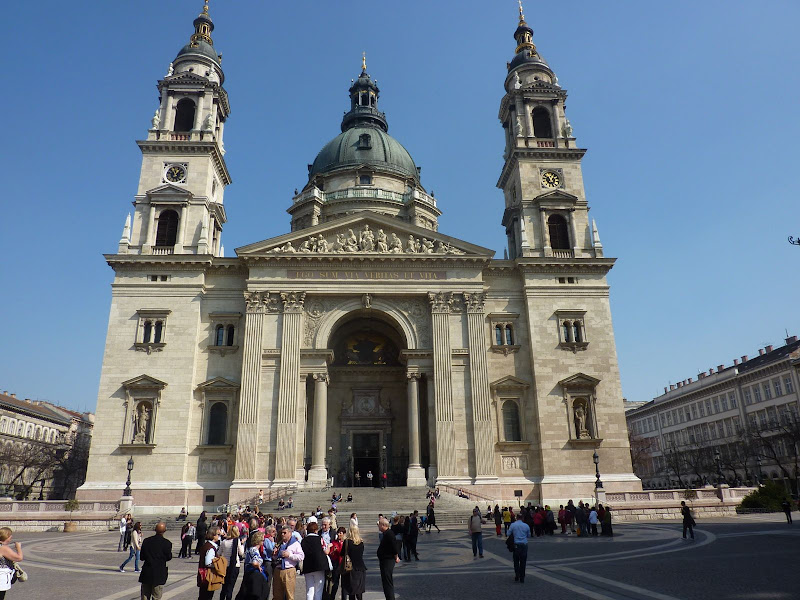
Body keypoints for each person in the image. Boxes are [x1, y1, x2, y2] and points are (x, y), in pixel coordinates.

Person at [139, 522, 173, 600]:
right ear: (164, 531)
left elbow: (142, 557)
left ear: (155, 530)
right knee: (156, 597)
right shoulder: (167, 543)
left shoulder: (146, 541)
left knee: (145, 596)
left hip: (147, 572)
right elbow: (169, 557)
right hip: (159, 573)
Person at [272, 526, 304, 600]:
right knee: (277, 595)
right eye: (282, 533)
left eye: (284, 533)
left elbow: (301, 556)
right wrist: (274, 554)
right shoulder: (279, 543)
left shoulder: (295, 544)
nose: (282, 534)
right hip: (278, 569)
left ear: (290, 533)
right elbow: (274, 557)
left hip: (289, 570)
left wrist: (289, 555)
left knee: (289, 595)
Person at [301, 522, 328, 600]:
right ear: (316, 530)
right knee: (318, 590)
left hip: (307, 566)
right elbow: (325, 551)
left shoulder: (304, 540)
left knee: (309, 590)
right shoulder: (320, 538)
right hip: (319, 566)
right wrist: (329, 546)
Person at [340, 525, 366, 600]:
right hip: (360, 567)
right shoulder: (361, 542)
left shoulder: (347, 542)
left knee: (351, 591)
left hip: (350, 568)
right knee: (359, 590)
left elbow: (342, 553)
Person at [219, 525, 245, 600]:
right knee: (230, 586)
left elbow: (219, 553)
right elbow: (241, 553)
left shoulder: (224, 542)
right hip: (234, 565)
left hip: (225, 565)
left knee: (224, 586)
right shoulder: (237, 541)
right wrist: (242, 544)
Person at [376, 518, 399, 600]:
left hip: (387, 561)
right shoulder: (386, 533)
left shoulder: (389, 534)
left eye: (379, 524)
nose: (378, 526)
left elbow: (394, 547)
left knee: (387, 582)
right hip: (385, 561)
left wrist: (396, 557)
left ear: (383, 525)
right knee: (386, 582)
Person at [0, 527, 23, 600]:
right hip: (1, 578)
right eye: (10, 535)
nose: (11, 537)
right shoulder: (3, 548)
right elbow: (19, 558)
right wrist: (18, 547)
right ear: (6, 536)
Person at [507, 514, 531, 583]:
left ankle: (517, 574)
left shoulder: (513, 525)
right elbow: (528, 535)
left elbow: (508, 533)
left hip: (516, 544)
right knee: (523, 561)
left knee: (516, 561)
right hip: (524, 544)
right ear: (522, 518)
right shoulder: (526, 525)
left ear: (516, 518)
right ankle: (522, 577)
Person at [325, 527, 345, 600]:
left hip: (343, 564)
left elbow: (343, 553)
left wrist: (338, 551)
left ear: (344, 534)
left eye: (340, 533)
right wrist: (333, 551)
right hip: (336, 564)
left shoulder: (345, 542)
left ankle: (344, 597)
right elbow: (331, 554)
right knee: (335, 582)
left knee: (344, 583)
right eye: (338, 533)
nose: (339, 534)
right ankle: (332, 597)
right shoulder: (334, 542)